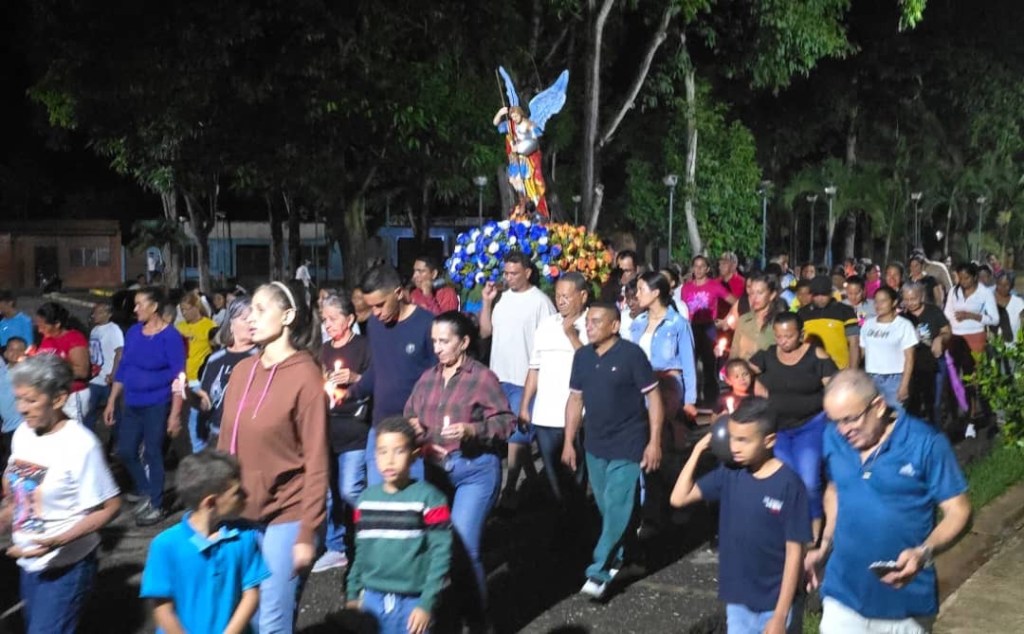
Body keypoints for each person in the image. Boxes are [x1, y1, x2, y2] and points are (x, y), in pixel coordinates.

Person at [805, 370, 971, 633]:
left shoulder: (925, 443)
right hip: (843, 597)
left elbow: (959, 511)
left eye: (850, 419)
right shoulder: (833, 437)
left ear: (879, 406)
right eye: (835, 421)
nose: (843, 430)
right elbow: (835, 490)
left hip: (905, 607)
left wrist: (923, 552)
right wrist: (825, 544)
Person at [217, 280, 329, 634]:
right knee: (242, 616)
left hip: (287, 514)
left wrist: (307, 531)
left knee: (272, 621)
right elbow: (224, 446)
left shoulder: (306, 376)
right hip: (238, 515)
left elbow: (317, 460)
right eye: (250, 309)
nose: (251, 317)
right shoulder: (240, 372)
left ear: (288, 316)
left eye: (262, 310)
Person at [404, 311, 514, 622]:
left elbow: (507, 421)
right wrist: (412, 426)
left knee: (465, 547)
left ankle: (477, 620)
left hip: (475, 471)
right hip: (435, 472)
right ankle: (447, 611)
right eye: (434, 341)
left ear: (464, 342)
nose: (437, 348)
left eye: (444, 341)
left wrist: (473, 431)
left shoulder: (481, 378)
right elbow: (409, 411)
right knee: (437, 546)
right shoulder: (428, 378)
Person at [1, 355, 121, 633]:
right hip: (29, 562)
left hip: (66, 568)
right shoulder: (24, 433)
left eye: (31, 401)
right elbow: (19, 488)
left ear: (58, 399)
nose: (21, 409)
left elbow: (110, 506)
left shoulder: (80, 445)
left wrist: (58, 540)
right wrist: (7, 511)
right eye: (18, 399)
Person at [671, 397, 810, 634]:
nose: (734, 446)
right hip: (738, 603)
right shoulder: (730, 473)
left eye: (743, 440)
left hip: (774, 605)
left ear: (769, 441)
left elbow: (795, 553)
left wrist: (780, 615)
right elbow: (678, 498)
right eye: (732, 437)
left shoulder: (789, 485)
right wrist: (697, 450)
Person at [563, 302, 663, 600]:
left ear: (614, 326)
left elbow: (654, 399)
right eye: (587, 322)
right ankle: (632, 556)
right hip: (595, 444)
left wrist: (654, 441)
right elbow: (575, 400)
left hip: (628, 443)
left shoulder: (632, 356)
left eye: (595, 321)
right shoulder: (581, 357)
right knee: (611, 509)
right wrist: (569, 440)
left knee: (617, 504)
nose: (588, 326)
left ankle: (599, 570)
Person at [140, 451, 270, 634]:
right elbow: (162, 608)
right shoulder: (165, 545)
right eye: (237, 492)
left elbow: (251, 593)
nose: (246, 495)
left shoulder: (245, 536)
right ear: (210, 503)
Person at [345, 417, 453, 634]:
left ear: (414, 455)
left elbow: (441, 553)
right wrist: (353, 594)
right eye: (383, 452)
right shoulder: (365, 500)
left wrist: (426, 604)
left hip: (413, 602)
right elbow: (361, 551)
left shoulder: (430, 498)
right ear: (374, 455)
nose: (390, 460)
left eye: (399, 451)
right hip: (372, 600)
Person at [749, 312, 838, 537]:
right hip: (778, 429)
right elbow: (740, 372)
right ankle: (788, 528)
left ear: (801, 334)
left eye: (788, 336)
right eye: (779, 336)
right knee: (786, 479)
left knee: (808, 480)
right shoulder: (767, 356)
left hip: (810, 425)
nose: (783, 341)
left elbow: (835, 386)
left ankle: (813, 531)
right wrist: (751, 383)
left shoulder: (816, 356)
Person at [104, 287, 185, 527]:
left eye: (140, 304)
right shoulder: (133, 333)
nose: (135, 308)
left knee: (152, 452)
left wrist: (175, 414)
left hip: (157, 404)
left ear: (154, 307)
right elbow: (124, 368)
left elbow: (179, 377)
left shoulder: (170, 337)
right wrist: (111, 401)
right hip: (132, 403)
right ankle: (148, 490)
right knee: (126, 451)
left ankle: (157, 504)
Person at [349, 265, 436, 486]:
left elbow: (439, 381)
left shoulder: (427, 324)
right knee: (379, 501)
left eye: (380, 305)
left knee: (410, 506)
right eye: (371, 307)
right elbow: (378, 369)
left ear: (398, 293)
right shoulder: (374, 325)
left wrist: (425, 418)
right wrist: (350, 393)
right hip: (379, 428)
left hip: (411, 433)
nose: (376, 313)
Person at [479, 252, 555, 505]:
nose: (509, 278)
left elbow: (549, 341)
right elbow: (485, 331)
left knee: (518, 434)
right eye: (506, 273)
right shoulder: (500, 299)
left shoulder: (541, 303)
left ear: (528, 273)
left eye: (514, 273)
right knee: (512, 435)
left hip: (526, 379)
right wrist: (487, 303)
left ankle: (510, 488)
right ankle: (532, 480)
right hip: (500, 377)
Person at [313, 291, 372, 574]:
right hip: (327, 430)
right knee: (329, 493)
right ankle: (336, 547)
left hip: (355, 429)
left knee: (350, 488)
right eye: (325, 319)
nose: (328, 325)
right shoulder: (323, 351)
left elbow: (376, 382)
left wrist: (355, 378)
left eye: (333, 319)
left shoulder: (363, 347)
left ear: (349, 319)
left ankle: (374, 532)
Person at [520, 273, 589, 502]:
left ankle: (578, 525)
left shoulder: (593, 325)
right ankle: (561, 520)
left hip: (577, 416)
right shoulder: (546, 325)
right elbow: (534, 368)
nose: (561, 301)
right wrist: (525, 406)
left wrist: (571, 335)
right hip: (544, 417)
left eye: (566, 296)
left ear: (583, 296)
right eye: (558, 296)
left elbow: (591, 362)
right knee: (554, 480)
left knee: (576, 477)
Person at [177, 297, 258, 449]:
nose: (251, 323)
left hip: (249, 439)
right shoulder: (216, 359)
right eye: (245, 319)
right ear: (231, 324)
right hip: (217, 437)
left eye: (254, 319)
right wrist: (187, 393)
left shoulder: (262, 358)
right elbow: (207, 403)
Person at [944, 262, 999, 429]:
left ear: (974, 277)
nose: (963, 281)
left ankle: (974, 414)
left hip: (975, 336)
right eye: (960, 277)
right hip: (955, 336)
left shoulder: (984, 293)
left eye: (966, 277)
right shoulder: (954, 291)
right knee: (952, 376)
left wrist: (971, 315)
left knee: (973, 378)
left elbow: (994, 319)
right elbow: (947, 312)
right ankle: (955, 413)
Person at [681, 255, 737, 406]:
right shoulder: (686, 287)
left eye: (702, 266)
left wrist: (726, 320)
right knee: (689, 365)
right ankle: (691, 400)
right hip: (690, 327)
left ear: (707, 269)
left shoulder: (714, 286)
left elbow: (735, 302)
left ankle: (711, 401)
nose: (698, 269)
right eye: (696, 266)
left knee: (709, 365)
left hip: (708, 328)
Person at [860, 285, 919, 411]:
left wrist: (904, 384)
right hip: (871, 379)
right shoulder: (868, 325)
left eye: (883, 301)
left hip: (895, 379)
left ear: (894, 302)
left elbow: (909, 358)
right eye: (876, 301)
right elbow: (862, 352)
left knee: (896, 418)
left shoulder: (904, 325)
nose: (878, 305)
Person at [901, 283, 952, 425]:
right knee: (913, 404)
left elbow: (947, 331)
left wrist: (940, 338)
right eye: (907, 299)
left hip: (934, 363)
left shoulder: (933, 311)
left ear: (922, 296)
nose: (910, 303)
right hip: (912, 365)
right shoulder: (903, 317)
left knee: (934, 403)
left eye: (914, 299)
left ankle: (936, 433)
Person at [799, 276, 860, 370]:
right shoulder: (802, 313)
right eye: (816, 294)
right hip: (810, 371)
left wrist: (853, 372)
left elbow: (854, 343)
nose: (820, 298)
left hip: (840, 370)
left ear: (831, 293)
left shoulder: (845, 311)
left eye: (823, 294)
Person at [84, 302, 124, 432]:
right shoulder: (94, 330)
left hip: (108, 378)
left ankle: (118, 441)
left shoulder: (114, 329)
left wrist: (114, 373)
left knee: (113, 412)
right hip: (94, 378)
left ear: (108, 314)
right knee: (88, 411)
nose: (95, 315)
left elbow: (119, 352)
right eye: (94, 312)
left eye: (99, 312)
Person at [730, 273, 782, 361]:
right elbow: (734, 352)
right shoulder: (743, 320)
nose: (754, 297)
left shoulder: (780, 323)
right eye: (752, 293)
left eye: (760, 293)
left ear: (772, 295)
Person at [992, 271, 1024, 344]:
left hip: (1014, 343)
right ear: (996, 284)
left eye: (1007, 285)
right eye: (1000, 284)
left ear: (1012, 286)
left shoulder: (1018, 302)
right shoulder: (990, 300)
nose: (1003, 288)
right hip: (994, 343)